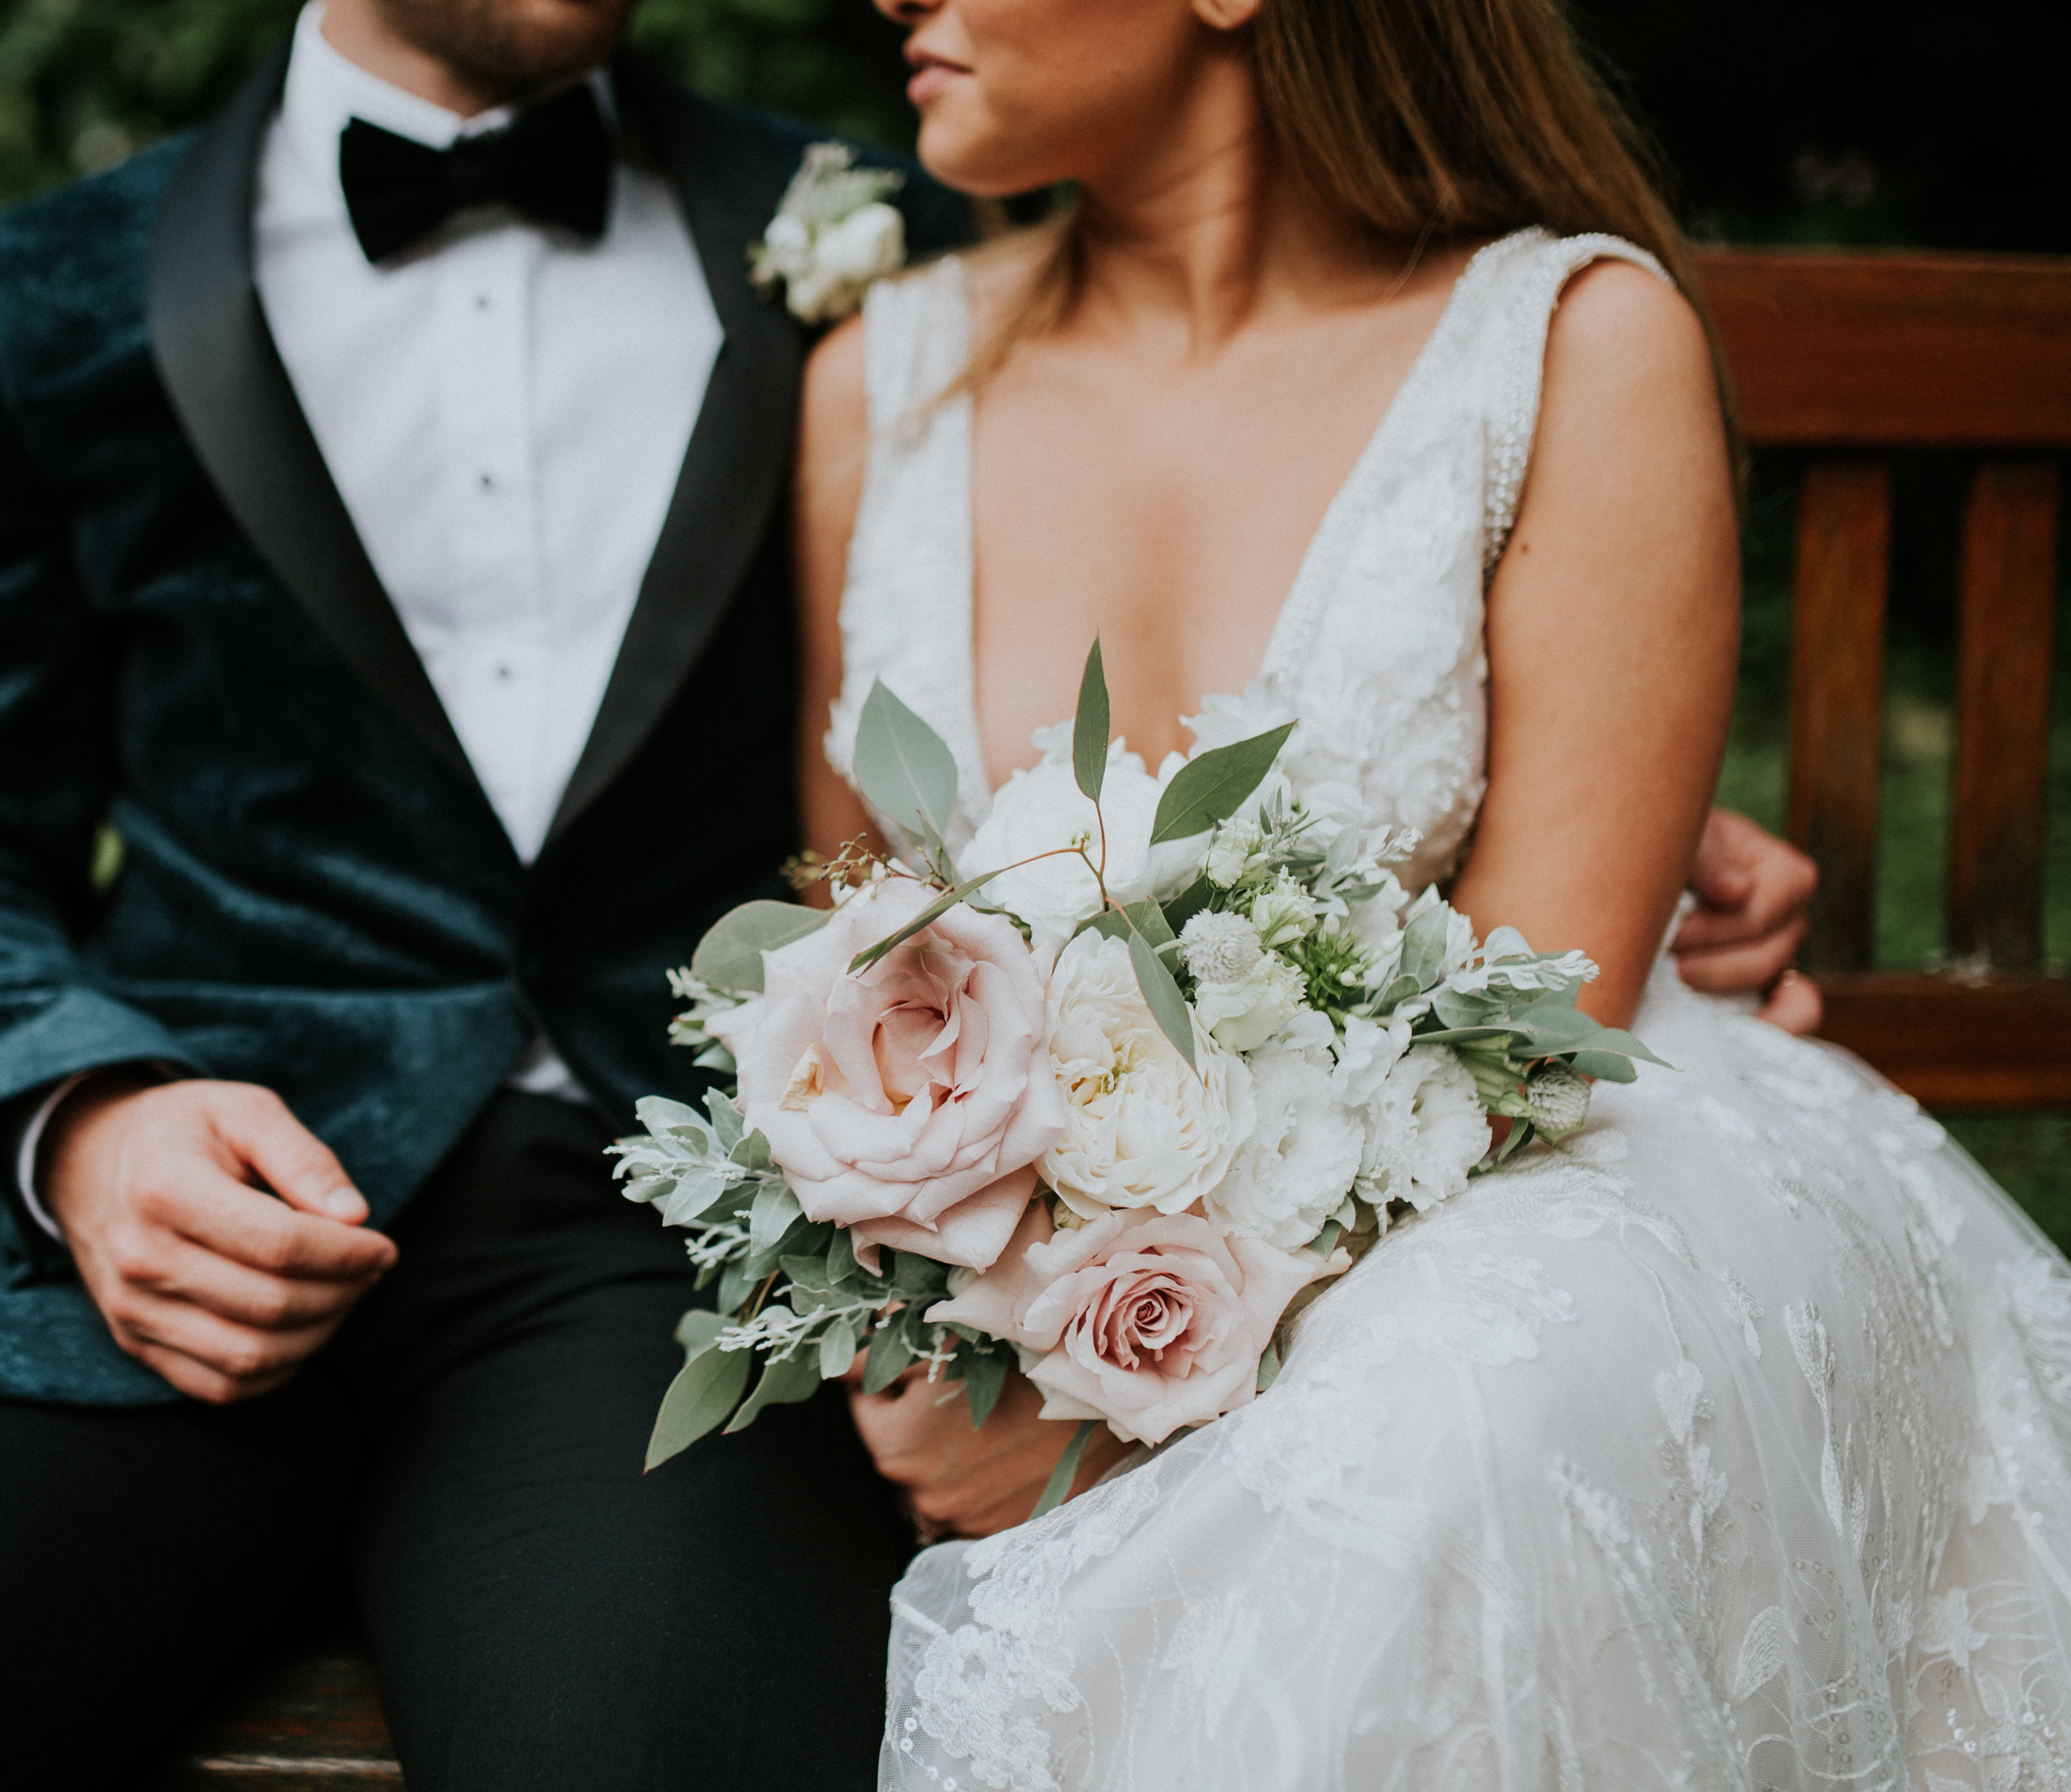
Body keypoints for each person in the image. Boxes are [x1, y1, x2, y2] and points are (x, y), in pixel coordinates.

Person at [0, 0, 1817, 1784]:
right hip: (147, 1235)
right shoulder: (50, 292)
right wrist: (85, 1118)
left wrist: (1602, 818)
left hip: (671, 1259)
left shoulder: (857, 258)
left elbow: (1179, 634)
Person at [791, 0, 2071, 1784]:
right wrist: (950, 1331)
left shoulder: (1565, 345)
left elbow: (1542, 1014)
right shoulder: (880, 382)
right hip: (1062, 1250)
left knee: (1452, 1431)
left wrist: (1115, 1390)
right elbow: (851, 989)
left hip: (1510, 1171)